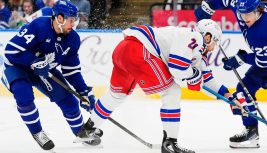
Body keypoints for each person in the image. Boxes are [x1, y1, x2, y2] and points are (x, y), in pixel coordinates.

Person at [74, 19, 242, 153]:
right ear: (208, 37)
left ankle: (88, 129)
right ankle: (170, 143)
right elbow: (177, 69)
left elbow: (207, 79)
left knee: (116, 95)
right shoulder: (194, 38)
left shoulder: (196, 52)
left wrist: (230, 98)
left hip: (123, 50)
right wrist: (194, 76)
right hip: (140, 52)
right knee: (172, 91)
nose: (214, 48)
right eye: (215, 42)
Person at [194, 0, 267, 148]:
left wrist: (241, 59)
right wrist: (208, 7)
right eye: (242, 14)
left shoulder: (263, 30)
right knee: (244, 89)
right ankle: (252, 133)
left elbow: (265, 62)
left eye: (249, 14)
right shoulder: (241, 6)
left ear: (259, 9)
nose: (245, 18)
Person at [1, 0, 101, 151]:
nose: (73, 24)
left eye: (75, 20)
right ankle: (37, 132)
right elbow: (11, 50)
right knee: (24, 97)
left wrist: (84, 91)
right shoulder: (39, 26)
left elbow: (71, 70)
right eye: (71, 20)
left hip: (44, 70)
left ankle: (80, 132)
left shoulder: (73, 39)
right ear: (59, 18)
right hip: (17, 66)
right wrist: (33, 62)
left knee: (69, 101)